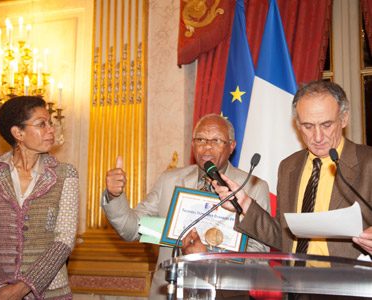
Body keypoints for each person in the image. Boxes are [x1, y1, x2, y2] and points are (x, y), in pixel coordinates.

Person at [214, 81, 372, 292]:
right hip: (296, 289)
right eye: (307, 126)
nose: (317, 137)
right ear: (297, 124)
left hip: (351, 291)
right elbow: (285, 236)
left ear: (344, 119)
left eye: (326, 125)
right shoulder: (289, 167)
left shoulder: (368, 163)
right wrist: (245, 204)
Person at [101, 114, 271, 300]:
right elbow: (131, 230)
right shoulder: (169, 180)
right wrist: (114, 196)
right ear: (193, 144)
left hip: (226, 294)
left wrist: (209, 261)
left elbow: (259, 258)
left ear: (231, 146)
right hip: (171, 291)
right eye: (200, 139)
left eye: (216, 140)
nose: (207, 146)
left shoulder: (252, 187)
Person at [0, 96, 79, 300]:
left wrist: (20, 289)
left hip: (50, 293)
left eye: (50, 123)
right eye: (42, 124)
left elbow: (64, 241)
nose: (51, 129)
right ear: (18, 133)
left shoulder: (66, 174)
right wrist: (0, 286)